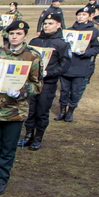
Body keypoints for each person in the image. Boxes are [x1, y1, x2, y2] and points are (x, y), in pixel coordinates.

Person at [0, 20, 41, 195]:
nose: (14, 37)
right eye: (12, 33)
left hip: (16, 110)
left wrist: (21, 92)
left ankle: (2, 179)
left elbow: (37, 84)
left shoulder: (32, 56)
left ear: (25, 36)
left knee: (8, 148)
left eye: (18, 34)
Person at [25, 13, 70, 150]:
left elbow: (64, 66)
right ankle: (28, 135)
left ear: (58, 25)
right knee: (30, 110)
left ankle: (38, 138)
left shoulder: (62, 44)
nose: (46, 26)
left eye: (50, 23)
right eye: (45, 23)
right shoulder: (35, 41)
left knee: (42, 111)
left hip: (47, 84)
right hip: (32, 82)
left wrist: (48, 73)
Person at [55, 7, 99, 122]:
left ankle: (70, 111)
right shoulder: (68, 30)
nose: (81, 17)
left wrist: (85, 53)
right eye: (79, 14)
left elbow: (98, 47)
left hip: (81, 65)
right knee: (64, 90)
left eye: (84, 15)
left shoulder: (94, 31)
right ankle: (62, 111)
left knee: (75, 91)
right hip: (67, 65)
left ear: (90, 16)